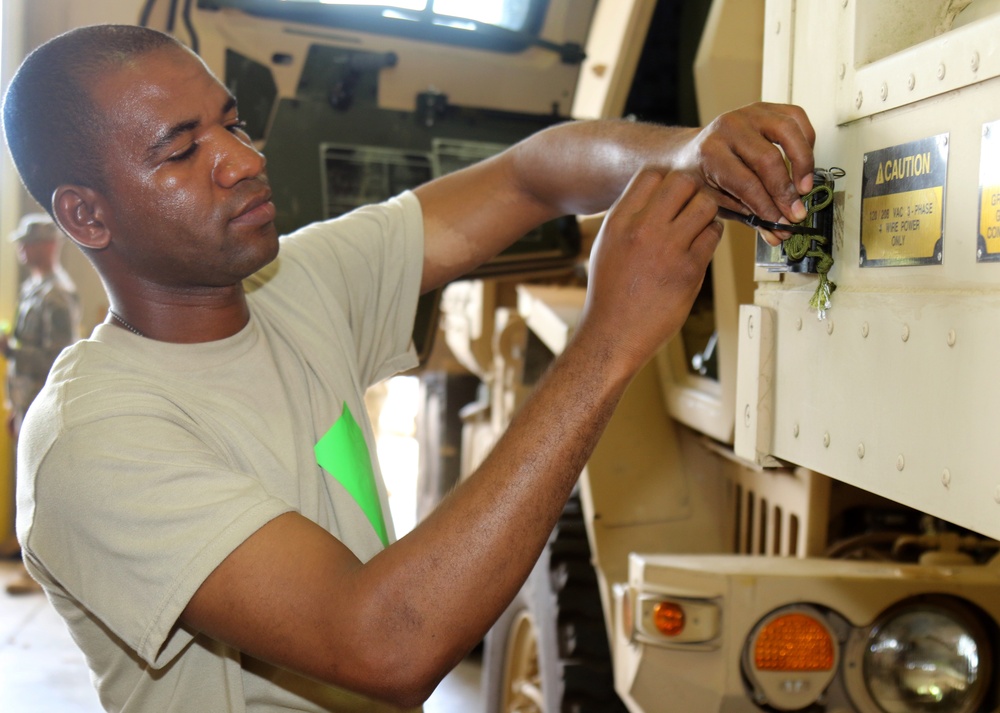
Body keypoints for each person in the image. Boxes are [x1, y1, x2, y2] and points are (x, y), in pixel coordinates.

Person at [1, 24, 815, 713]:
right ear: (85, 213)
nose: (243, 160)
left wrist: (694, 152)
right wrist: (609, 340)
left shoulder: (294, 286)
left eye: (232, 124)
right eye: (182, 150)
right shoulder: (92, 438)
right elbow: (384, 640)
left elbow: (531, 175)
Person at [1, 213, 80, 594]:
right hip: (25, 403)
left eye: (26, 242)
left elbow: (59, 358)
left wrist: (11, 350)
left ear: (48, 245)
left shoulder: (56, 294)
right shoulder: (35, 289)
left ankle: (42, 573)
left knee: (40, 489)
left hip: (41, 406)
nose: (20, 249)